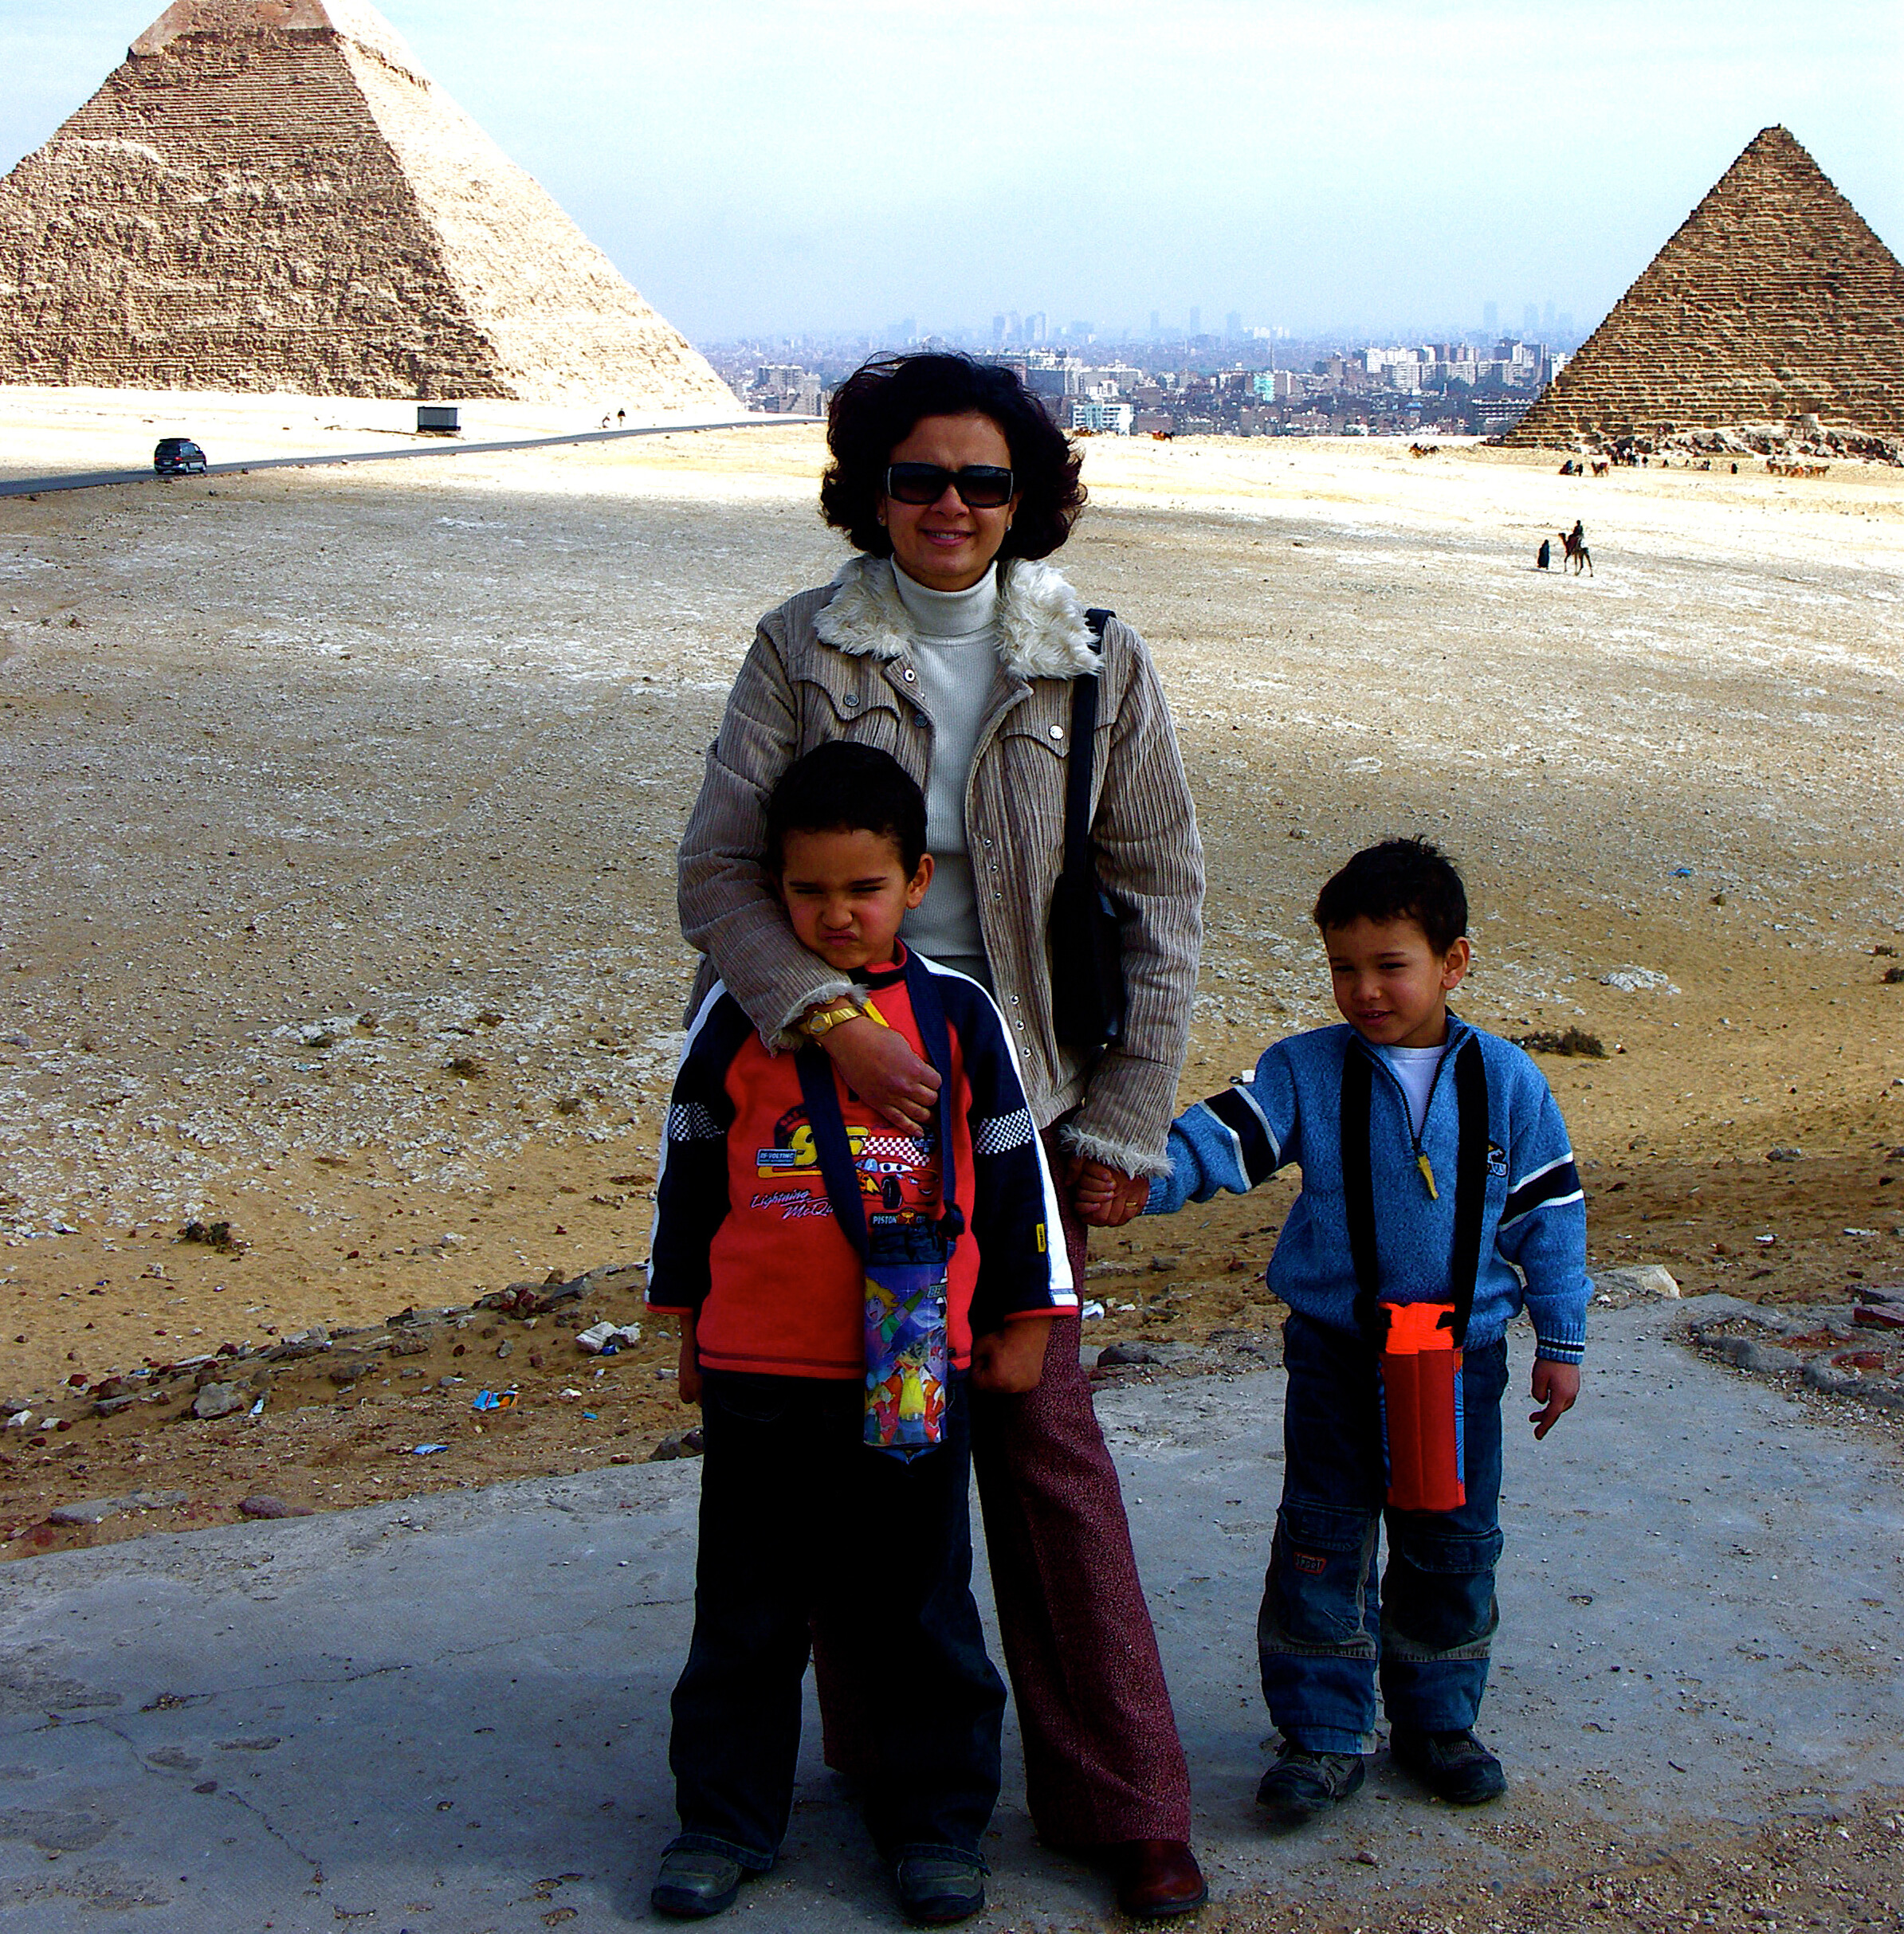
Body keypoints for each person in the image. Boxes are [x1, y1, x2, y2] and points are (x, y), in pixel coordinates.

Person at [676, 353, 1207, 1919]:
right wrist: (823, 1016)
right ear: (870, 490)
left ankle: (1124, 1799)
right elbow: (718, 874)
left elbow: (1162, 898)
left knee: (1044, 1454)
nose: (951, 506)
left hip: (1020, 1106)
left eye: (983, 480)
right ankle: (894, 1778)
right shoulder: (802, 647)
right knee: (854, 1451)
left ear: (1027, 495)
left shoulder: (1096, 663)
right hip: (826, 1106)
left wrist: (1127, 1117)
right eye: (918, 477)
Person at [647, 743, 1071, 1924]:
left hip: (912, 1366)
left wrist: (1029, 1318)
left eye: (863, 888)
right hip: (758, 1367)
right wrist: (685, 1322)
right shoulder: (744, 1011)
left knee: (918, 1601)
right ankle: (721, 1818)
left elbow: (1011, 1169)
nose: (836, 914)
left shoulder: (957, 1013)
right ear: (774, 889)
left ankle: (935, 1824)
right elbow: (689, 1163)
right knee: (745, 1605)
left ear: (916, 881)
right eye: (808, 890)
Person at [1086, 838, 1587, 1826]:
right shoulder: (1304, 1070)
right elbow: (1224, 1139)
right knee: (1321, 1535)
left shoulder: (1509, 1082)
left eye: (1390, 965)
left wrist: (1561, 1343)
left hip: (1460, 1361)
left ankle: (1439, 1722)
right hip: (1335, 1358)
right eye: (1343, 967)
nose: (1364, 990)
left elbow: (1551, 1219)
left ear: (1453, 962)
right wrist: (1142, 1177)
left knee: (1452, 1536)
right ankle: (1320, 1734)